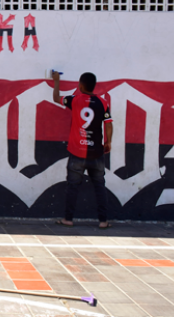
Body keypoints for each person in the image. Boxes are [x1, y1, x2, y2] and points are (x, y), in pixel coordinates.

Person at [52, 71, 113, 229]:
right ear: (94, 86)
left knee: (72, 186)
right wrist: (108, 142)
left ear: (80, 85)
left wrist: (57, 81)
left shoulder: (74, 100)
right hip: (96, 153)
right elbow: (108, 123)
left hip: (77, 153)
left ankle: (68, 219)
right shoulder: (103, 102)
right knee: (100, 186)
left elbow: (55, 97)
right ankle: (103, 221)